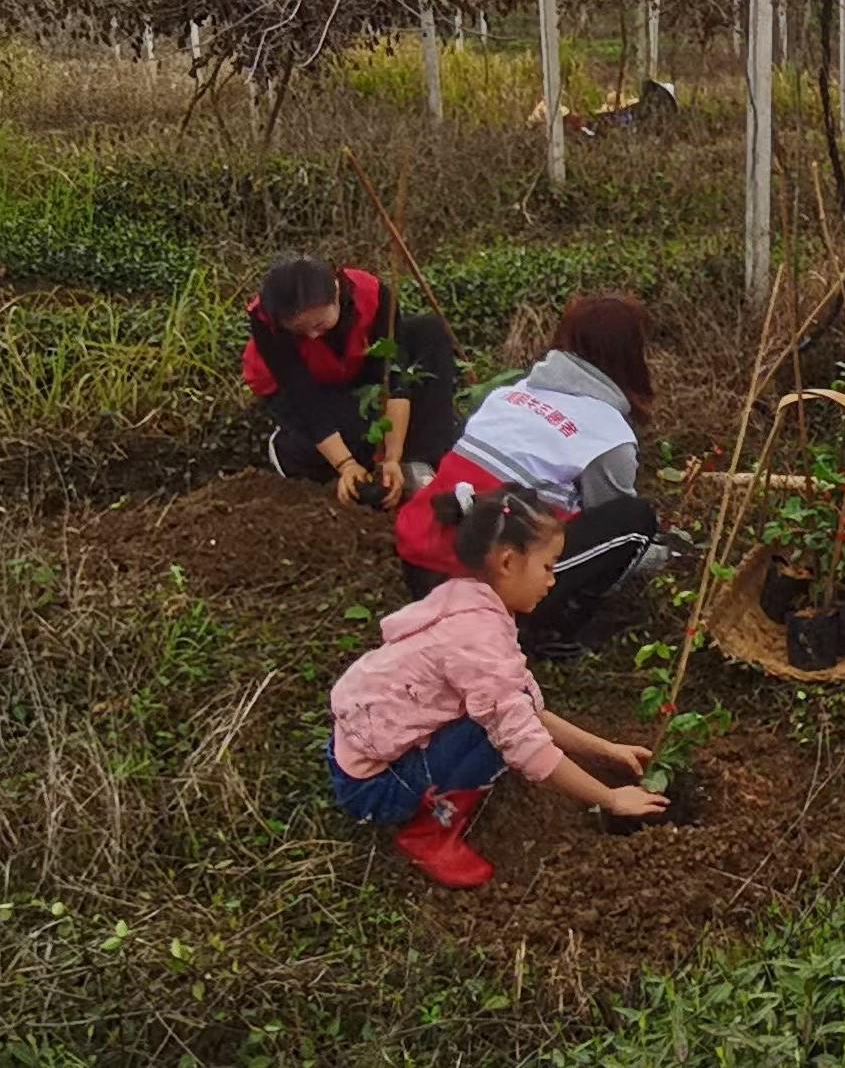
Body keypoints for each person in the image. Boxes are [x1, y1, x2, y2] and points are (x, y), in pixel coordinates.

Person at [330, 484, 669, 888]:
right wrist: (611, 798)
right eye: (547, 567)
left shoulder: (466, 600)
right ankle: (429, 833)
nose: (552, 580)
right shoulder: (479, 637)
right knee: (496, 736)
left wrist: (606, 750)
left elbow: (527, 706)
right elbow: (521, 739)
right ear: (508, 561)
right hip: (375, 786)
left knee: (506, 710)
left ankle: (433, 787)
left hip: (354, 749)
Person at [395, 294, 666, 657]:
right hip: (484, 583)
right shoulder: (607, 433)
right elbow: (609, 511)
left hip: (423, 564)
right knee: (635, 521)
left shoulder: (509, 396)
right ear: (630, 355)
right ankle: (546, 628)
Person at [244, 256, 458, 510]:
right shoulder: (265, 319)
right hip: (306, 386)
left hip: (354, 367)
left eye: (320, 324)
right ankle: (288, 448)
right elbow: (303, 396)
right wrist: (345, 464)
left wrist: (393, 457)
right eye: (300, 331)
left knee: (429, 332)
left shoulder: (373, 294)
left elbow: (393, 378)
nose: (312, 336)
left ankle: (419, 461)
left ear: (336, 293)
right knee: (353, 434)